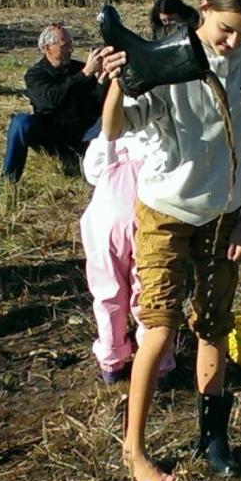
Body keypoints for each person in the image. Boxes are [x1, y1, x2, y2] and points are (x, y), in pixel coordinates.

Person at [98, 0, 241, 481]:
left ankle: (213, 438)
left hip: (224, 213)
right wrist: (116, 83)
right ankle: (136, 448)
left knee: (215, 323)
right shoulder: (165, 59)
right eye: (226, 29)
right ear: (203, 9)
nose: (234, 41)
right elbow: (114, 128)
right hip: (166, 212)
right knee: (159, 327)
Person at [79, 132, 176, 384]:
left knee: (108, 291)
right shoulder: (161, 136)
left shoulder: (107, 138)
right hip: (149, 219)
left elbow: (90, 172)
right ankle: (158, 362)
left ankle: (112, 362)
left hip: (105, 222)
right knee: (148, 290)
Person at [0, 23, 104, 182]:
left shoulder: (79, 68)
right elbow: (49, 101)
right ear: (47, 48)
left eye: (71, 44)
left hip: (80, 133)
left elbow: (96, 105)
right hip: (51, 133)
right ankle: (8, 182)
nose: (71, 49)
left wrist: (102, 82)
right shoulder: (35, 75)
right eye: (65, 45)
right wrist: (84, 75)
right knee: (20, 123)